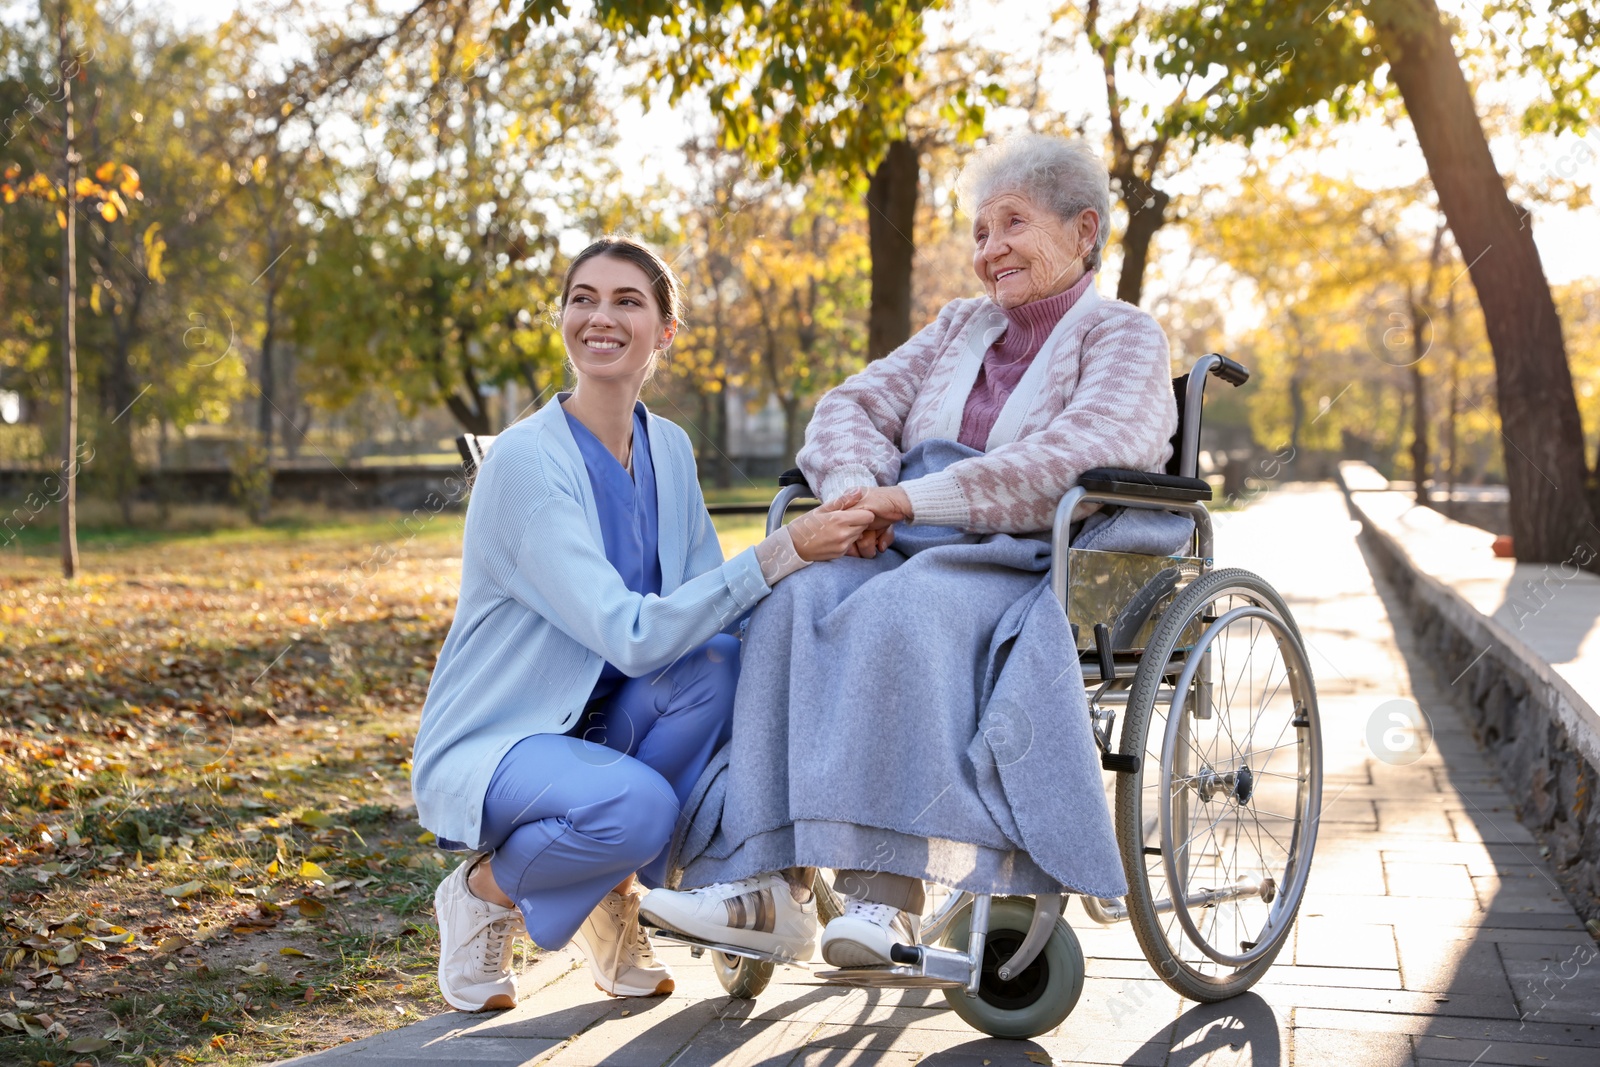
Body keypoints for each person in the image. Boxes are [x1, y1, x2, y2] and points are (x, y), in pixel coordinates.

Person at [640, 132, 1180, 968]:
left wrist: (912, 499)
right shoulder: (957, 327)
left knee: (901, 609)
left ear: (1085, 231)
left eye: (1012, 224)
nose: (989, 249)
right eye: (977, 232)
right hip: (907, 539)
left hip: (1029, 557)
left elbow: (1082, 453)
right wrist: (861, 495)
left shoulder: (1121, 335)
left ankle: (883, 898)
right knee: (792, 600)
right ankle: (765, 885)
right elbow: (848, 406)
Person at [411, 236, 876, 1011]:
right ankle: (483, 894)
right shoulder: (525, 462)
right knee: (641, 809)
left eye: (628, 300)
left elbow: (705, 611)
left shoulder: (669, 446)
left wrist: (836, 578)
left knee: (720, 665)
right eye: (583, 298)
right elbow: (632, 634)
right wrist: (783, 548)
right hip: (504, 740)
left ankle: (601, 890)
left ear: (664, 331)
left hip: (613, 724)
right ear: (562, 318)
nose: (601, 316)